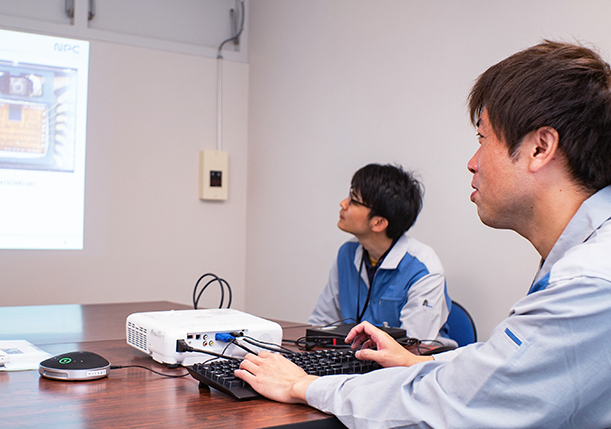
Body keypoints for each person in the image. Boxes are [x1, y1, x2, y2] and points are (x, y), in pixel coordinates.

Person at [235, 40, 611, 428]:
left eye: (482, 139)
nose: (472, 163)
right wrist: (421, 362)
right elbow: (502, 363)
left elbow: (452, 406)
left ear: (539, 148)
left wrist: (304, 386)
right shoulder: (584, 261)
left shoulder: (588, 281)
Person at [308, 163, 453, 344]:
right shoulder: (347, 254)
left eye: (353, 200)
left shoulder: (424, 270)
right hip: (355, 363)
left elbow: (410, 349)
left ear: (379, 223)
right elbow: (321, 324)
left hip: (412, 367)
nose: (343, 204)